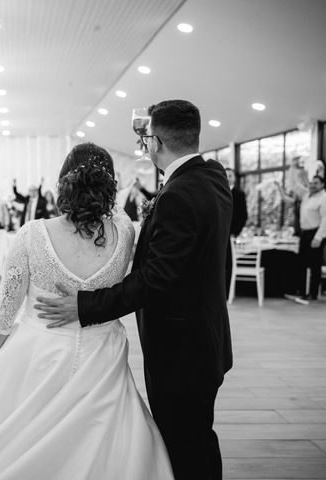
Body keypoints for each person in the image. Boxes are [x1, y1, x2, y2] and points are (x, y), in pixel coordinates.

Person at [0, 143, 173, 479]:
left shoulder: (33, 234)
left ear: (63, 182)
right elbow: (120, 215)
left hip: (40, 353)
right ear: (110, 186)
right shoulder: (124, 233)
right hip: (102, 355)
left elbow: (6, 308)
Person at [36, 100, 233, 480]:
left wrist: (84, 307)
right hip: (206, 336)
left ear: (156, 142)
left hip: (182, 349)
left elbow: (155, 279)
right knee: (197, 436)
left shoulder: (177, 194)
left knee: (185, 441)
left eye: (146, 140)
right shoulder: (213, 177)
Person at [283, 175, 326, 302]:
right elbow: (294, 189)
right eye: (312, 182)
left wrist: (318, 238)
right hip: (304, 233)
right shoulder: (307, 195)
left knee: (314, 266)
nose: (312, 185)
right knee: (301, 264)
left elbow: (325, 219)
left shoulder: (324, 198)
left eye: (316, 183)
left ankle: (312, 294)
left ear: (322, 185)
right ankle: (301, 291)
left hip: (316, 233)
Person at [225, 168, 247, 237]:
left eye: (230, 176)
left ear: (235, 178)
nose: (227, 178)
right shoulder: (217, 193)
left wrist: (235, 233)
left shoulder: (240, 194)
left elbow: (243, 215)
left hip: (232, 233)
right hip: (219, 234)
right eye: (225, 176)